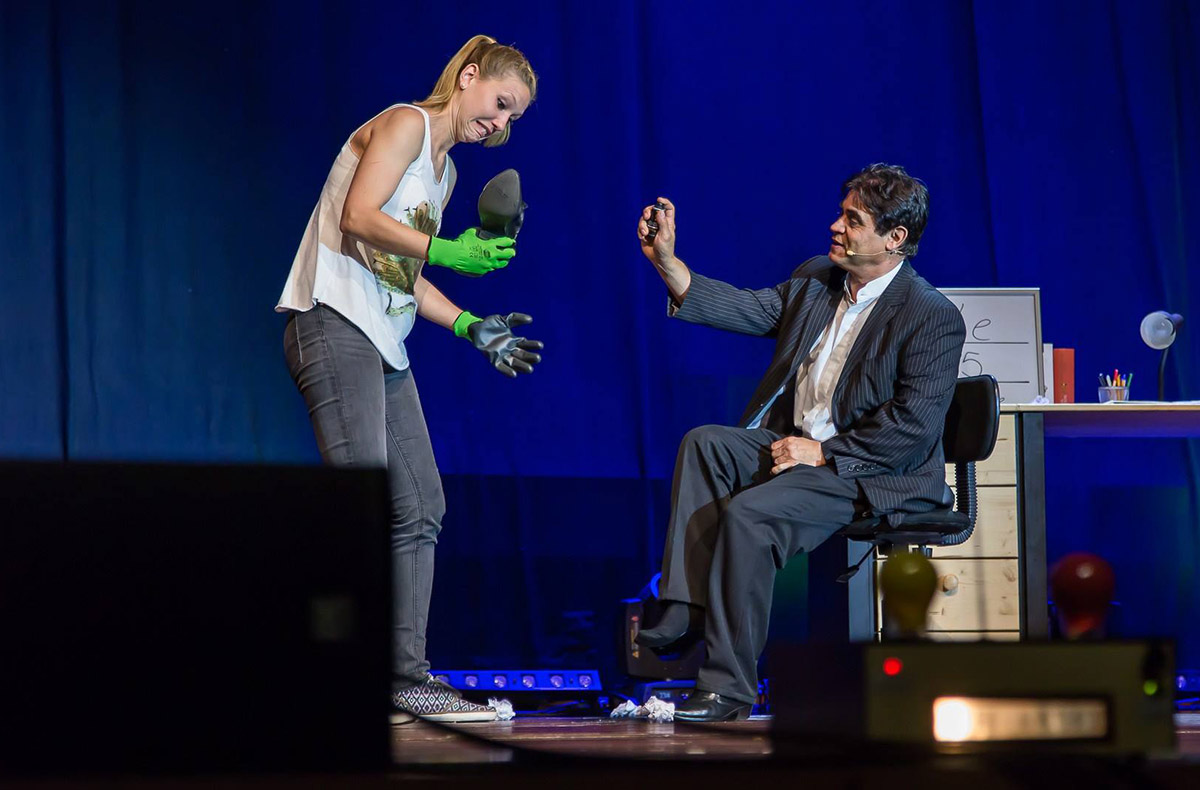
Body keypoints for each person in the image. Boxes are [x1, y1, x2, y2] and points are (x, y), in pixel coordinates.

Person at [633, 164, 966, 721]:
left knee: (749, 516)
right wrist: (667, 262)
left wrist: (824, 453)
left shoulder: (930, 315)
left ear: (894, 238)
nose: (836, 226)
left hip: (868, 471)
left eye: (853, 220)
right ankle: (688, 606)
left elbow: (913, 428)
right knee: (706, 444)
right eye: (841, 213)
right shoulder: (818, 279)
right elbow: (748, 309)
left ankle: (728, 690)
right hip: (799, 448)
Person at [277, 35, 543, 723]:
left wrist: (470, 325)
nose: (500, 123)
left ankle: (401, 680)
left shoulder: (443, 175)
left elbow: (404, 272)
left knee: (421, 505)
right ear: (470, 76)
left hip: (382, 340)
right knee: (359, 505)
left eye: (512, 118)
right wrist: (449, 249)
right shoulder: (406, 123)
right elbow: (357, 217)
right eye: (499, 103)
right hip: (333, 320)